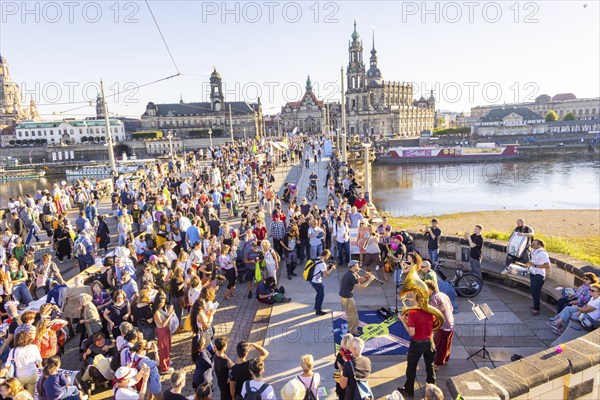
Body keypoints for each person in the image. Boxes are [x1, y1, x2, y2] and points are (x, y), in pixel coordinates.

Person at [398, 292, 437, 398]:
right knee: (430, 366)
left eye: (413, 297)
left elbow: (412, 333)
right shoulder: (431, 310)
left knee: (411, 366)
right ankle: (432, 391)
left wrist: (403, 321)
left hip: (417, 344)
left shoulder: (413, 313)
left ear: (416, 300)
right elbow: (433, 324)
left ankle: (409, 391)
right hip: (429, 342)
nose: (411, 298)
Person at [339, 260, 376, 336]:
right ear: (352, 267)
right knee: (353, 315)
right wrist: (370, 280)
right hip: (347, 298)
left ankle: (351, 328)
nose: (358, 266)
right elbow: (361, 286)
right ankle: (353, 331)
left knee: (350, 314)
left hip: (345, 296)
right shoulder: (351, 275)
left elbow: (359, 280)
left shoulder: (353, 273)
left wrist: (366, 277)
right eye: (357, 265)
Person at [1, 330, 42, 395]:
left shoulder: (13, 351)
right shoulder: (34, 347)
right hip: (32, 374)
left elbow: (7, 365)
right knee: (31, 393)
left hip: (19, 376)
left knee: (20, 393)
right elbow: (38, 361)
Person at [425, 279, 454, 369]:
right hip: (451, 322)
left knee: (439, 345)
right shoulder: (443, 294)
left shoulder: (434, 298)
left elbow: (433, 314)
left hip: (443, 325)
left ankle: (437, 364)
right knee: (447, 344)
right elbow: (451, 308)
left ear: (430, 289)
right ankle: (445, 359)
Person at [526, 239, 551, 316]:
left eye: (534, 244)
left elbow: (548, 265)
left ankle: (536, 309)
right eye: (532, 244)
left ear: (539, 245)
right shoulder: (535, 251)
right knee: (533, 291)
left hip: (538, 275)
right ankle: (535, 306)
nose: (532, 246)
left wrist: (535, 265)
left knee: (536, 292)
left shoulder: (542, 253)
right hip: (533, 273)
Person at [310, 250, 336, 316]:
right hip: (316, 282)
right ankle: (318, 310)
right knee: (321, 295)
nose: (328, 258)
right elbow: (326, 274)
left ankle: (316, 306)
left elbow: (320, 267)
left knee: (318, 293)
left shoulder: (318, 258)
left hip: (312, 280)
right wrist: (331, 269)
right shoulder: (322, 263)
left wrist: (329, 265)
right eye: (328, 256)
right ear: (326, 255)